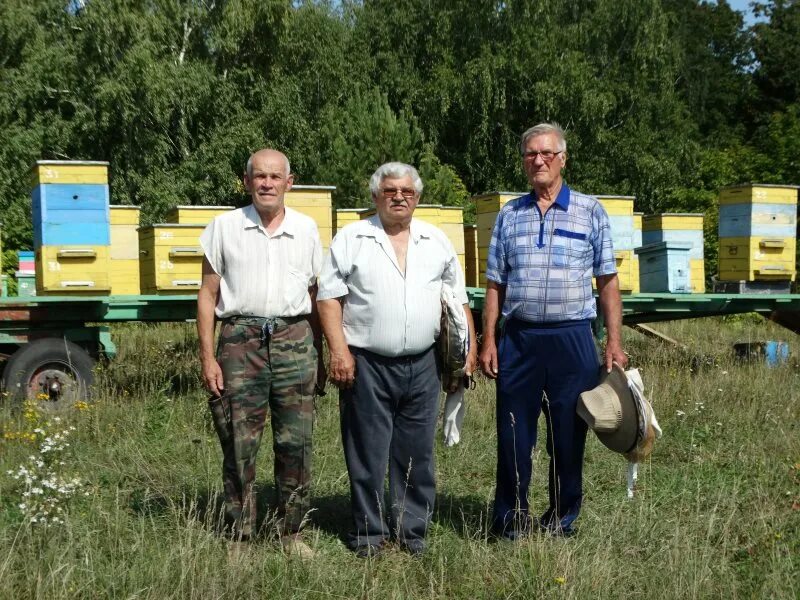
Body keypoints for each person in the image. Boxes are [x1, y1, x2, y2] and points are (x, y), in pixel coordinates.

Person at [317, 162, 477, 557]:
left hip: (424, 364)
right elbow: (328, 299)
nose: (399, 197)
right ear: (375, 197)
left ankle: (411, 533)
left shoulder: (435, 240)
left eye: (406, 191)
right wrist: (338, 352)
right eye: (390, 191)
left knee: (417, 454)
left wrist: (467, 352)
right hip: (367, 362)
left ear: (417, 197)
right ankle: (369, 536)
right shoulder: (352, 238)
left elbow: (458, 300)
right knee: (367, 454)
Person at [479, 123, 627, 539]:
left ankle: (561, 520)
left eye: (546, 153)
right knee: (512, 435)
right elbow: (495, 284)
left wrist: (613, 341)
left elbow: (608, 282)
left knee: (567, 437)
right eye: (530, 154)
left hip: (573, 340)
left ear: (562, 158)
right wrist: (489, 339)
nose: (538, 160)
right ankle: (510, 521)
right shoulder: (510, 214)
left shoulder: (590, 210)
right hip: (519, 340)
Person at [197, 148, 326, 558]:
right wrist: (206, 357)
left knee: (297, 443)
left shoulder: (307, 230)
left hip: (295, 339)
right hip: (240, 341)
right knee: (239, 441)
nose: (267, 183)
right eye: (259, 176)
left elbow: (314, 295)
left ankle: (292, 533)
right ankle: (241, 535)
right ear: (247, 180)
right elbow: (207, 294)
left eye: (275, 176)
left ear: (290, 182)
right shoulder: (223, 227)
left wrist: (321, 354)